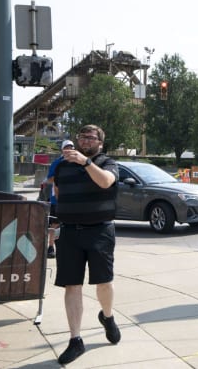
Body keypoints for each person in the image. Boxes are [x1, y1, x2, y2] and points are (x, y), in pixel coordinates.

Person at [53, 125, 121, 365]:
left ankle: (108, 316)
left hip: (99, 230)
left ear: (100, 143)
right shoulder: (62, 166)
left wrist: (86, 163)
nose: (85, 141)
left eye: (91, 138)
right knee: (72, 286)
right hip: (70, 232)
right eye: (82, 137)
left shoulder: (107, 163)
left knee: (104, 282)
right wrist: (55, 224)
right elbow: (58, 194)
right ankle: (75, 340)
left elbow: (106, 183)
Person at [44, 139, 75, 259]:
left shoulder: (77, 162)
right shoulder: (57, 163)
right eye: (67, 147)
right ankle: (50, 247)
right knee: (54, 224)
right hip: (57, 199)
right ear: (62, 149)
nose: (69, 149)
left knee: (70, 224)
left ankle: (69, 248)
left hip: (72, 199)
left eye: (71, 147)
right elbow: (49, 179)